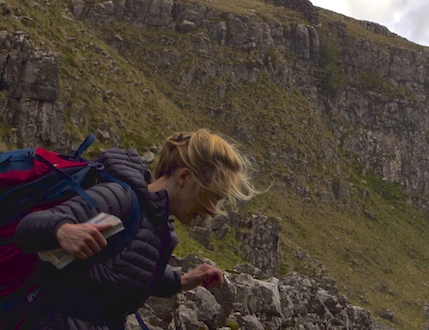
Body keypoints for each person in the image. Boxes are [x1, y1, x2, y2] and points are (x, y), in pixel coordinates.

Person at [13, 129, 258, 330]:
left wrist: (183, 280)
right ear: (184, 177)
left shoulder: (157, 224)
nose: (213, 210)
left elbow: (131, 270)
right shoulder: (120, 199)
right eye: (211, 196)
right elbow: (28, 227)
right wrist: (61, 230)